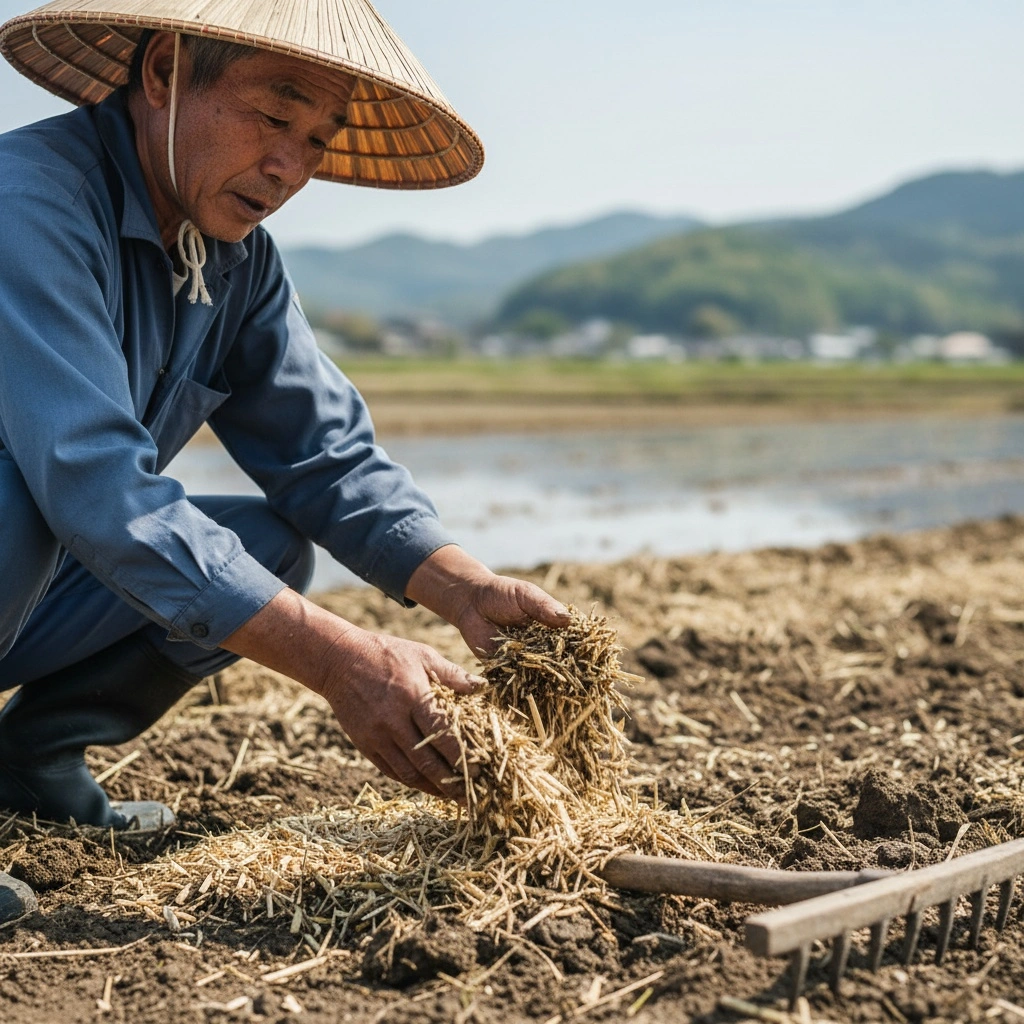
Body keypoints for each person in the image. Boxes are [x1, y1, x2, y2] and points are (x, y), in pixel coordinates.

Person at [0, 0, 569, 920]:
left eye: (316, 139)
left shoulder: (234, 263)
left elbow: (326, 454)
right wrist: (346, 663)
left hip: (22, 589)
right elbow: (94, 483)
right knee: (26, 499)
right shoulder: (26, 205)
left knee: (264, 547)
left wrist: (463, 588)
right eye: (273, 117)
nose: (290, 168)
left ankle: (29, 765)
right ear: (162, 74)